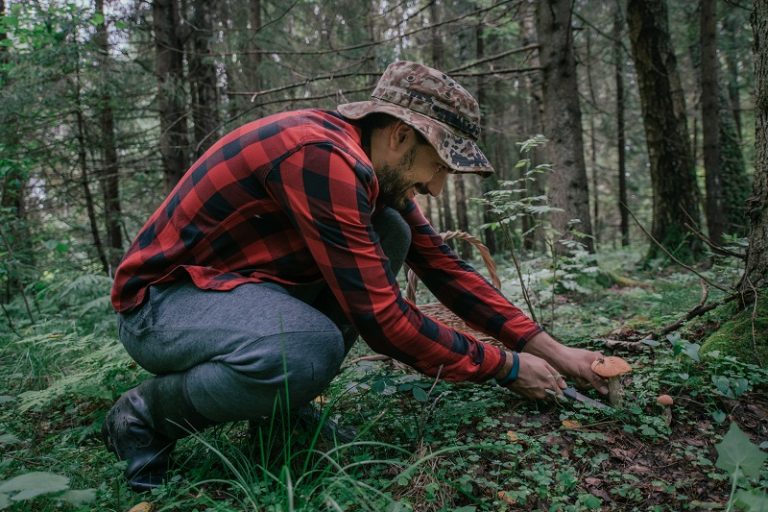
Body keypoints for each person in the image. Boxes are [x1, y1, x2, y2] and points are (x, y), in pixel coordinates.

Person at [103, 61, 608, 491]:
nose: (434, 186)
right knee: (305, 346)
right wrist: (505, 367)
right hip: (160, 308)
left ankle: (278, 417)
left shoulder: (366, 165)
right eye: (438, 166)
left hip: (234, 295)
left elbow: (444, 267)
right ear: (399, 135)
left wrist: (553, 352)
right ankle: (144, 416)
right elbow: (383, 321)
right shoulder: (320, 156)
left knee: (391, 229)